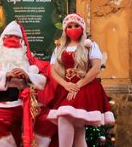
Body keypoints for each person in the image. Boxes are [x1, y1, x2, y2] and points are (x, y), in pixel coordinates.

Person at [0, 21, 56, 147]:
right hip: (1, 103)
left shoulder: (28, 57)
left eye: (16, 37)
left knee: (50, 120)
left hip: (27, 104)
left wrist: (28, 76)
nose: (12, 40)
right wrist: (6, 75)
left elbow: (43, 79)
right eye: (9, 36)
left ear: (21, 41)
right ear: (2, 39)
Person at [48, 13, 114, 147]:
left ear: (82, 28)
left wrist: (78, 85)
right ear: (65, 29)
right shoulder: (60, 47)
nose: (73, 28)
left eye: (76, 25)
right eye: (69, 26)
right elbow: (53, 70)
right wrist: (65, 84)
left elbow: (95, 68)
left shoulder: (90, 45)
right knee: (77, 130)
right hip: (65, 88)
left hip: (85, 86)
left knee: (65, 116)